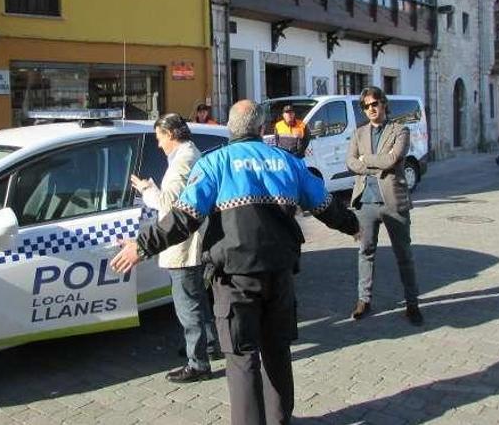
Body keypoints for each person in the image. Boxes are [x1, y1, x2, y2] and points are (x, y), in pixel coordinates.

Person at [112, 100, 359, 425]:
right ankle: (279, 420)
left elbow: (183, 218)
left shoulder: (214, 164)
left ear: (230, 129)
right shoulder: (287, 162)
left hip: (234, 280)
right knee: (277, 351)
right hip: (279, 275)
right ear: (261, 129)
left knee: (242, 358)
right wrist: (355, 227)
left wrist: (142, 246)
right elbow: (325, 205)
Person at [129, 114, 221, 383]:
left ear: (170, 134)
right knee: (197, 299)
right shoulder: (189, 155)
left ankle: (198, 363)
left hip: (183, 245)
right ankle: (209, 345)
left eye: (159, 138)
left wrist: (148, 191)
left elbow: (172, 207)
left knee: (187, 304)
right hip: (190, 240)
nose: (158, 145)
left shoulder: (183, 161)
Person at [347, 86, 423, 326]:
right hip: (365, 203)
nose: (371, 109)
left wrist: (366, 160)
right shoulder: (358, 133)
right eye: (366, 106)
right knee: (365, 253)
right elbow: (350, 162)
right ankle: (364, 301)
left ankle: (412, 305)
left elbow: (392, 160)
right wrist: (373, 164)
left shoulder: (401, 130)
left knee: (404, 255)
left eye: (374, 104)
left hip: (393, 203)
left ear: (383, 104)